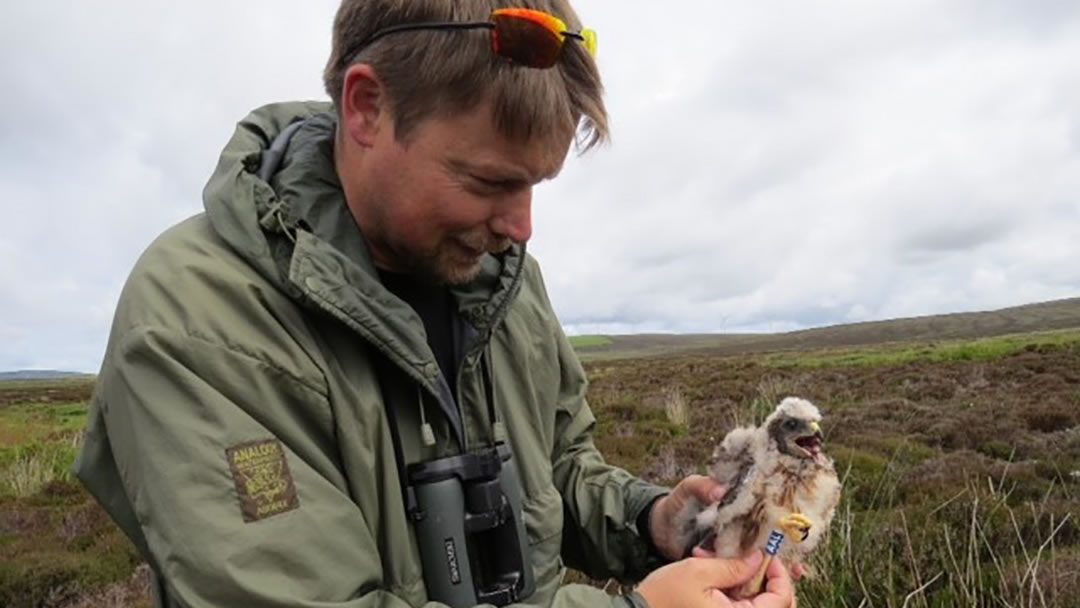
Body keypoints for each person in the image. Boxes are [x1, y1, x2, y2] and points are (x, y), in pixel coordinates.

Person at [74, 1, 795, 607]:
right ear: (367, 107)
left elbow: (560, 464)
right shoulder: (194, 323)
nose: (521, 227)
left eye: (535, 185)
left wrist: (652, 523)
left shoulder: (504, 278)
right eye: (487, 182)